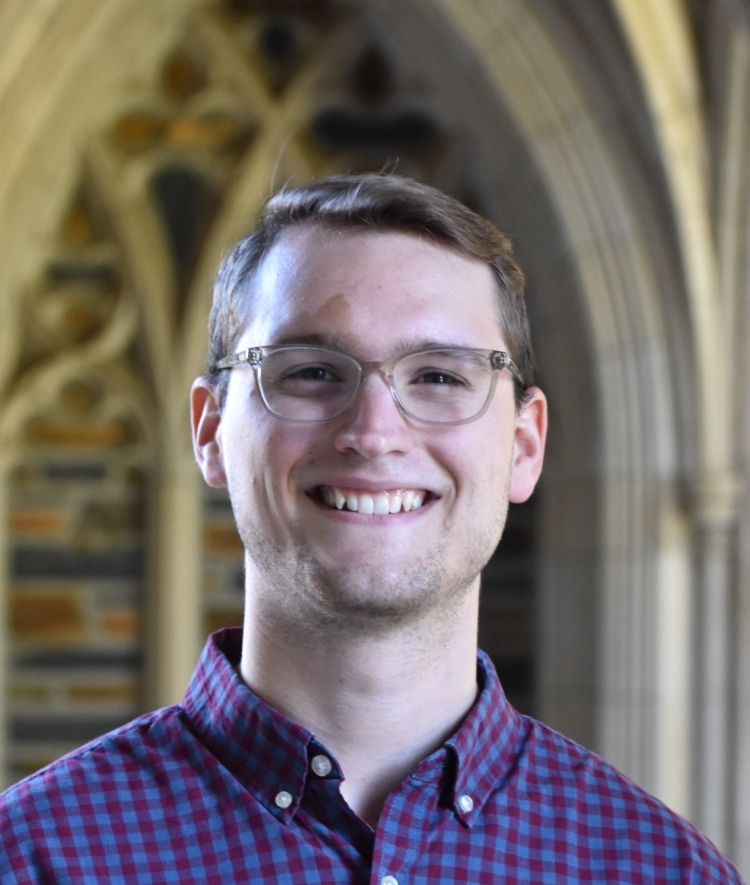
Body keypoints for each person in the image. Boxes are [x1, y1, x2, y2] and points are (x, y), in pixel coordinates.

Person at [0, 174, 743, 884]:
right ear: (210, 430)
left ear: (524, 447)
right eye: (312, 371)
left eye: (441, 376)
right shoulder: (31, 859)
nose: (374, 431)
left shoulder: (661, 870)